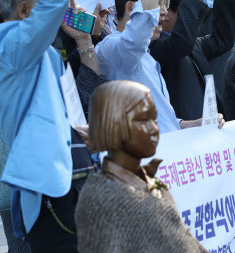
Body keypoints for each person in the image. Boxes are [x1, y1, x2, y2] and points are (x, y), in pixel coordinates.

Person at [0, 0, 109, 251]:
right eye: (47, 7)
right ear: (26, 11)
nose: (60, 12)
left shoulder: (42, 52)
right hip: (52, 188)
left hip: (75, 176)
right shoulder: (7, 46)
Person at [95, 0, 224, 133]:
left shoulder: (146, 56)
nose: (162, 12)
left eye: (165, 3)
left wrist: (190, 124)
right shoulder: (111, 48)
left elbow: (165, 121)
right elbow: (137, 34)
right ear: (130, 8)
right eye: (158, 3)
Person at [75, 81, 209, 253]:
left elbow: (186, 241)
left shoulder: (153, 183)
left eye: (154, 119)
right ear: (113, 125)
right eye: (144, 120)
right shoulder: (101, 199)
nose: (154, 128)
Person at [149, 0, 235, 120]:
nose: (162, 12)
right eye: (191, 7)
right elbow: (180, 44)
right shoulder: (150, 48)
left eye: (165, 4)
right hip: (184, 136)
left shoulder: (194, 45)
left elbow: (222, 40)